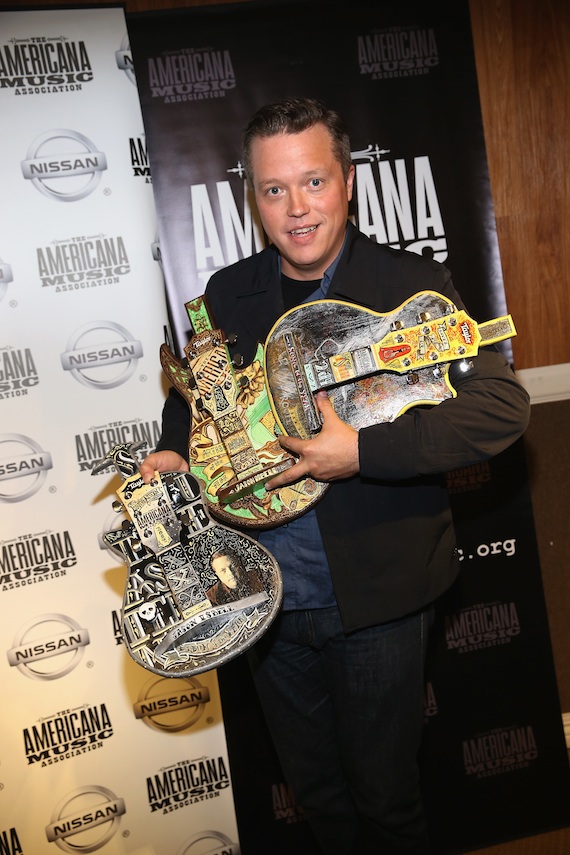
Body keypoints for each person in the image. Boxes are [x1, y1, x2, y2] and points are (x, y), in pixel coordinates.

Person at [140, 97, 530, 854]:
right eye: (274, 189)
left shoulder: (406, 286)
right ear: (252, 197)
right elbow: (202, 403)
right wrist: (174, 452)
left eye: (313, 182)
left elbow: (500, 410)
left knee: (386, 802)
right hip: (261, 599)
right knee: (318, 798)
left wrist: (365, 454)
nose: (296, 209)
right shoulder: (227, 294)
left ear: (347, 181)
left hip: (378, 598)